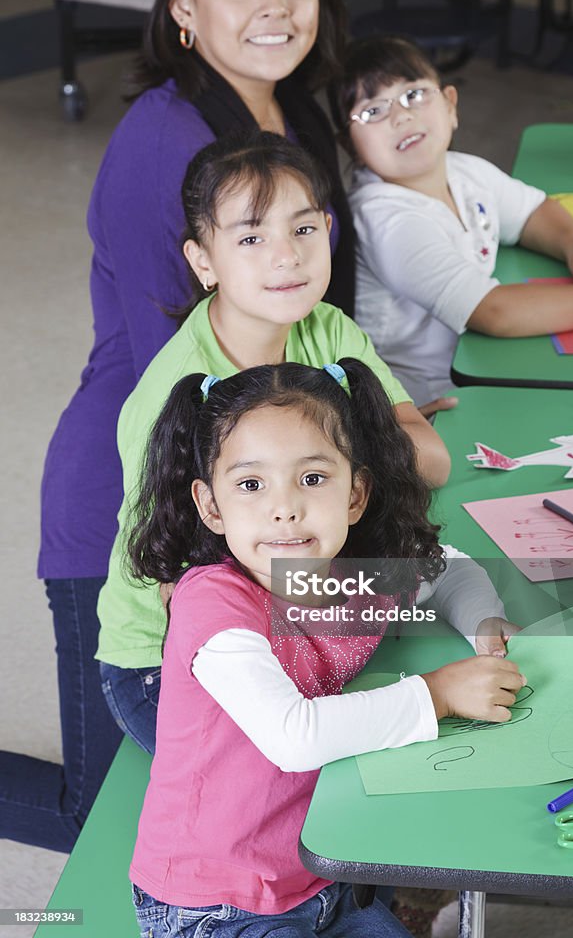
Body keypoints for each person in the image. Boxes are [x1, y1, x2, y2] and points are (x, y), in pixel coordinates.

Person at [0, 0, 357, 856]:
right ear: (184, 11)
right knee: (103, 817)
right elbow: (193, 373)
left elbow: (305, 308)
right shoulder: (166, 138)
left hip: (249, 484)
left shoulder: (290, 109)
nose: (274, 7)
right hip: (134, 496)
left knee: (248, 768)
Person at [125, 358, 524, 937]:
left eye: (313, 478)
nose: (284, 507)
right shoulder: (212, 604)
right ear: (211, 506)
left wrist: (487, 626)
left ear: (356, 493)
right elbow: (295, 735)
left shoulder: (347, 575)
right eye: (250, 484)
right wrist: (437, 694)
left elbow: (452, 572)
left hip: (320, 873)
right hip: (214, 902)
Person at [96, 132, 451, 756]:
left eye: (304, 230)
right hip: (173, 658)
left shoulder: (326, 328)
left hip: (296, 609)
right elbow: (176, 582)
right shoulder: (173, 397)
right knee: (313, 787)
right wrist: (346, 452)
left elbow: (433, 461)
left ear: (330, 230)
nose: (286, 257)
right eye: (251, 238)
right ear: (203, 261)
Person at [331, 35, 573, 410]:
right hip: (427, 403)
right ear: (351, 146)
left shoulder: (465, 170)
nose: (401, 115)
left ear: (451, 105)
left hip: (479, 366)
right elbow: (493, 312)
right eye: (373, 111)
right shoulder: (386, 218)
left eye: (414, 95)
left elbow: (532, 211)